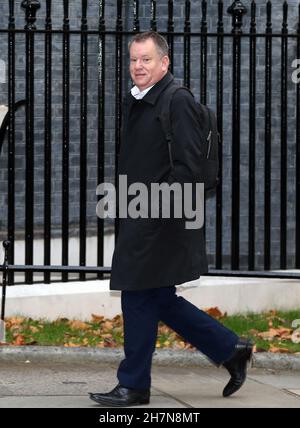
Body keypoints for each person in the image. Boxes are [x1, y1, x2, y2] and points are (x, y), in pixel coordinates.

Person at [89, 31, 253, 407]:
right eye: (133, 60)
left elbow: (189, 165)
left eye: (146, 60)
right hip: (141, 210)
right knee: (157, 297)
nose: (137, 67)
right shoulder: (142, 99)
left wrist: (161, 214)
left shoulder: (176, 101)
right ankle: (231, 348)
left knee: (136, 293)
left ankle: (133, 385)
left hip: (160, 216)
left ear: (164, 63)